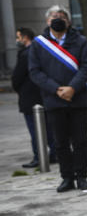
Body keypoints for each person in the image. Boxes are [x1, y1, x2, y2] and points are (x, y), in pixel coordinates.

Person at [28, 5, 87, 192]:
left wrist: (72, 87)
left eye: (62, 16)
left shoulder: (80, 41)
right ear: (47, 21)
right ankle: (67, 177)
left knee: (81, 141)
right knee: (60, 142)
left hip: (78, 98)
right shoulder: (38, 44)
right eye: (54, 17)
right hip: (54, 100)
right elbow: (35, 72)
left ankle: (82, 176)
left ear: (68, 21)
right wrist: (56, 89)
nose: (58, 19)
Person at [12, 27, 57, 168]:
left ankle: (39, 157)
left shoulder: (26, 54)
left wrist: (17, 87)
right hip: (42, 95)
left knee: (35, 129)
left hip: (30, 97)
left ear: (25, 37)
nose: (17, 40)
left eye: (18, 37)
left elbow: (17, 77)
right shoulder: (40, 51)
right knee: (47, 128)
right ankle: (54, 153)